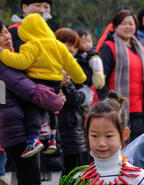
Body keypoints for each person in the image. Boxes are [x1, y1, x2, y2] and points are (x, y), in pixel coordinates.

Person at [0, 20, 64, 185]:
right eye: (1, 34)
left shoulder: (9, 61)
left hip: (15, 128)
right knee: (29, 181)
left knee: (30, 181)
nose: (7, 37)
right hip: (17, 130)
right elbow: (31, 91)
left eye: (6, 31)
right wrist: (57, 97)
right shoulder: (4, 65)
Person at [0, 13, 86, 158]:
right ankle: (52, 140)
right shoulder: (58, 45)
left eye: (6, 32)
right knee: (50, 111)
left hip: (38, 83)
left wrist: (3, 54)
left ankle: (34, 138)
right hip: (55, 84)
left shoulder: (32, 45)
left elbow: (22, 62)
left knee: (32, 109)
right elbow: (72, 65)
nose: (8, 36)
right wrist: (80, 78)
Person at [48, 28, 94, 185]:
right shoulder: (50, 65)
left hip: (73, 123)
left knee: (74, 164)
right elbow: (76, 98)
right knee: (71, 166)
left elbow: (81, 96)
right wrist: (67, 86)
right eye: (66, 43)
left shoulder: (77, 67)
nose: (71, 48)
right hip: (60, 123)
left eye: (74, 45)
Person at [99, 9, 144, 141]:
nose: (128, 27)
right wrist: (108, 101)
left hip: (139, 109)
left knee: (137, 148)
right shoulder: (109, 47)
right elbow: (101, 79)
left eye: (131, 24)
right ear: (115, 26)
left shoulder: (140, 48)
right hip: (117, 108)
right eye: (123, 24)